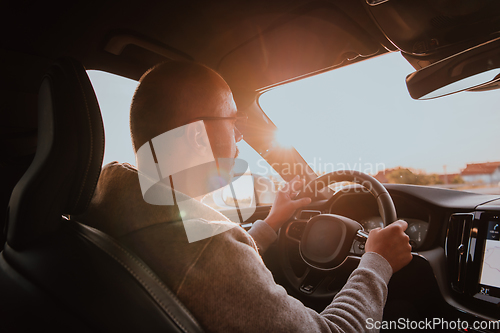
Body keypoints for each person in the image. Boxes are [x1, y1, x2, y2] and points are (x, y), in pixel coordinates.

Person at [78, 61, 412, 332]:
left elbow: (208, 264)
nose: (238, 135)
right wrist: (376, 262)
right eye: (232, 121)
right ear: (197, 135)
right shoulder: (207, 249)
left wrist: (271, 223)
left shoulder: (114, 205)